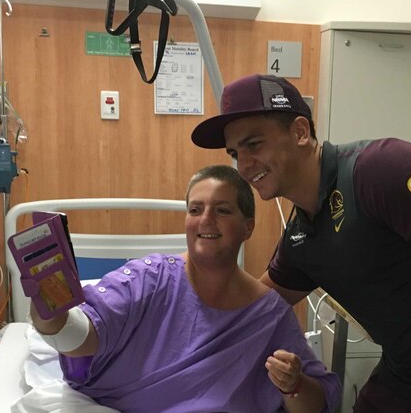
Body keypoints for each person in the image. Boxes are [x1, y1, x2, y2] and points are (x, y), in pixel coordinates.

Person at [190, 74, 411, 413]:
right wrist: (177, 278)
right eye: (235, 153)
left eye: (254, 144)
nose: (244, 165)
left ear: (299, 131)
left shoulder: (379, 170)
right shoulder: (300, 238)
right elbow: (256, 305)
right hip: (407, 376)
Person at [27, 165, 341, 413]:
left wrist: (292, 384)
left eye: (222, 210)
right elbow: (81, 336)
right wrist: (50, 314)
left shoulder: (268, 316)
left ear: (248, 227)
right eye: (195, 210)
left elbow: (316, 403)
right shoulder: (150, 278)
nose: (206, 220)